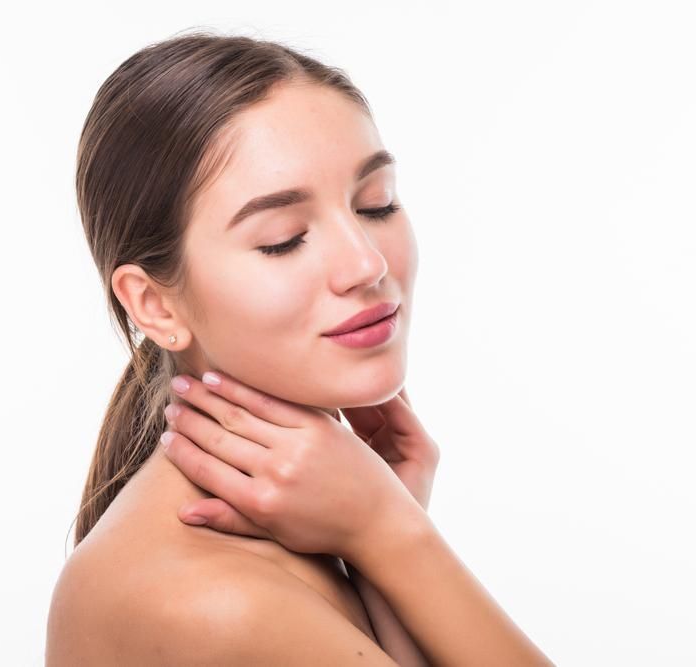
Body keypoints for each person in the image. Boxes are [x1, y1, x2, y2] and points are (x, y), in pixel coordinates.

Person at [46, 28, 553, 666]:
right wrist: (389, 531)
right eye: (284, 239)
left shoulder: (297, 535)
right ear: (155, 304)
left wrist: (380, 539)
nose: (366, 263)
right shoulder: (214, 601)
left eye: (376, 204)